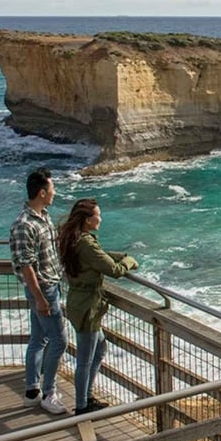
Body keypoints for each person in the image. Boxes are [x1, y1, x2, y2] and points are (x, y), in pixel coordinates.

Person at [57, 198, 138, 415]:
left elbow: (100, 258)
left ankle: (87, 397)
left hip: (79, 302)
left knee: (100, 348)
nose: (100, 219)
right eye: (97, 215)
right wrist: (129, 261)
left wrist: (121, 256)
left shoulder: (76, 240)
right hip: (88, 308)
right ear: (86, 220)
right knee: (84, 359)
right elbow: (115, 270)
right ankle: (82, 406)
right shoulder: (85, 243)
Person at [9, 168, 69, 415]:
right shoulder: (24, 225)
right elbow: (27, 266)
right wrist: (40, 298)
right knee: (59, 340)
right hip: (44, 291)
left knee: (38, 339)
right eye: (52, 190)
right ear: (42, 192)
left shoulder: (43, 217)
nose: (54, 194)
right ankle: (49, 393)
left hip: (50, 287)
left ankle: (32, 391)